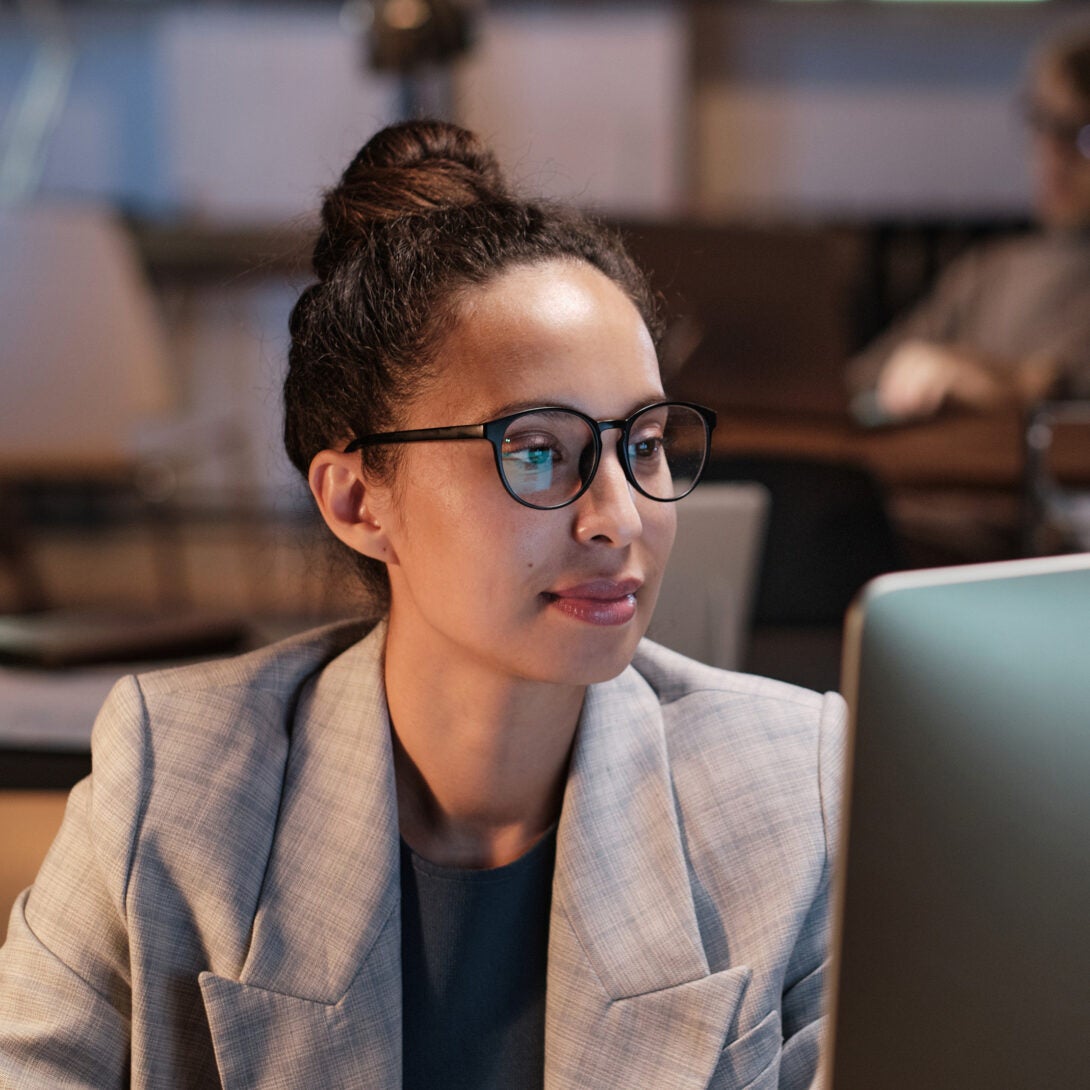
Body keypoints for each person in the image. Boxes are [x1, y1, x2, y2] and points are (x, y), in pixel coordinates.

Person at [0, 121, 845, 1089]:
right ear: (359, 499)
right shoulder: (175, 786)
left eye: (642, 445)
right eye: (538, 450)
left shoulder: (793, 791)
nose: (620, 517)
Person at [847, 26, 1090, 426]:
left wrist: (989, 380)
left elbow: (1052, 384)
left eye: (1079, 133)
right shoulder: (990, 270)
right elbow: (861, 377)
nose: (1051, 151)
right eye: (1042, 122)